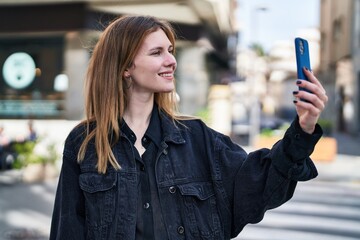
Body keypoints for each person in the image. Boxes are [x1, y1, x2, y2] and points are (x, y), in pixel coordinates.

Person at [50, 15, 328, 240]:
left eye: (170, 51)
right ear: (126, 67)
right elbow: (67, 230)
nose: (171, 60)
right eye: (157, 52)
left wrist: (303, 128)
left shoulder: (199, 139)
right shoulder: (84, 143)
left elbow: (262, 184)